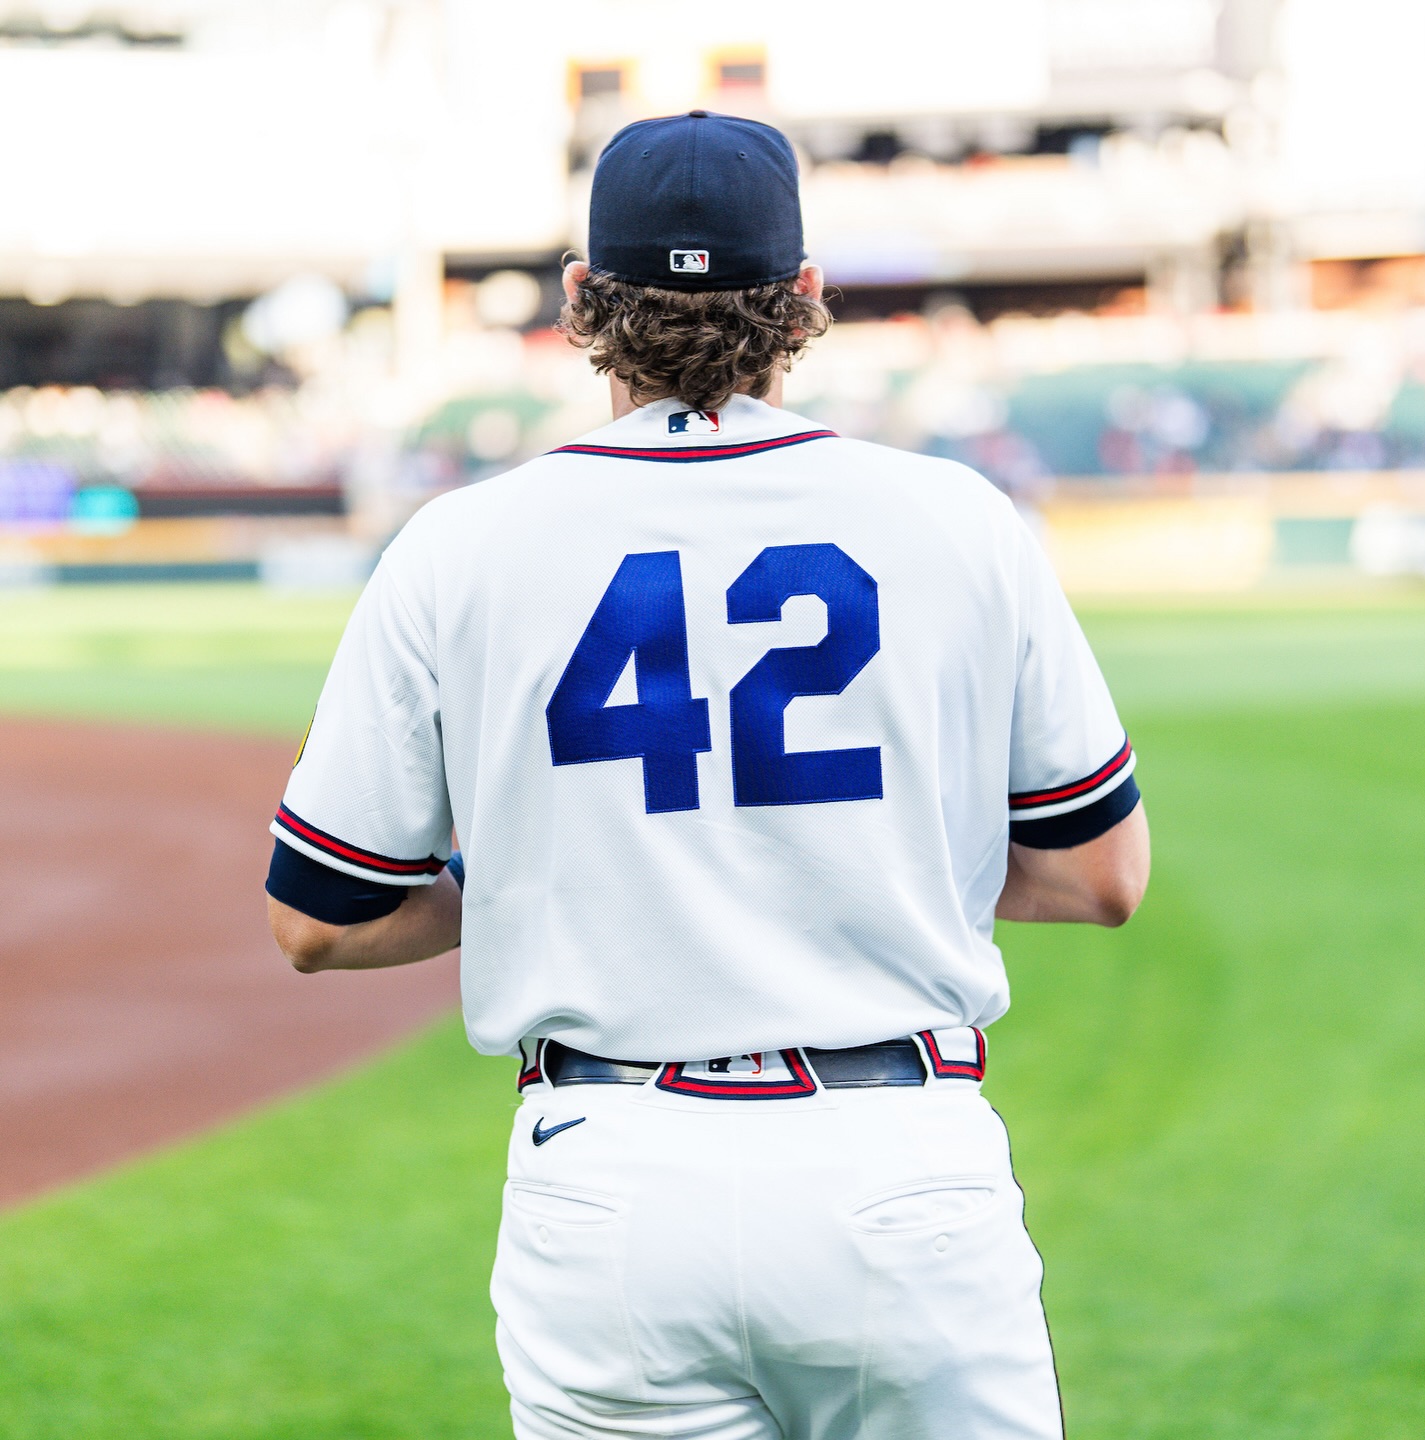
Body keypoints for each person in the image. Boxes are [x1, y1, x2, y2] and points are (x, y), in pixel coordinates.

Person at [266, 109, 1149, 1440]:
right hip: (898, 1164)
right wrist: (864, 856)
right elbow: (1099, 877)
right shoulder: (960, 519)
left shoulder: (459, 547)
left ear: (580, 301)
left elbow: (317, 920)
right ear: (804, 299)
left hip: (610, 1178)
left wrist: (561, 875)